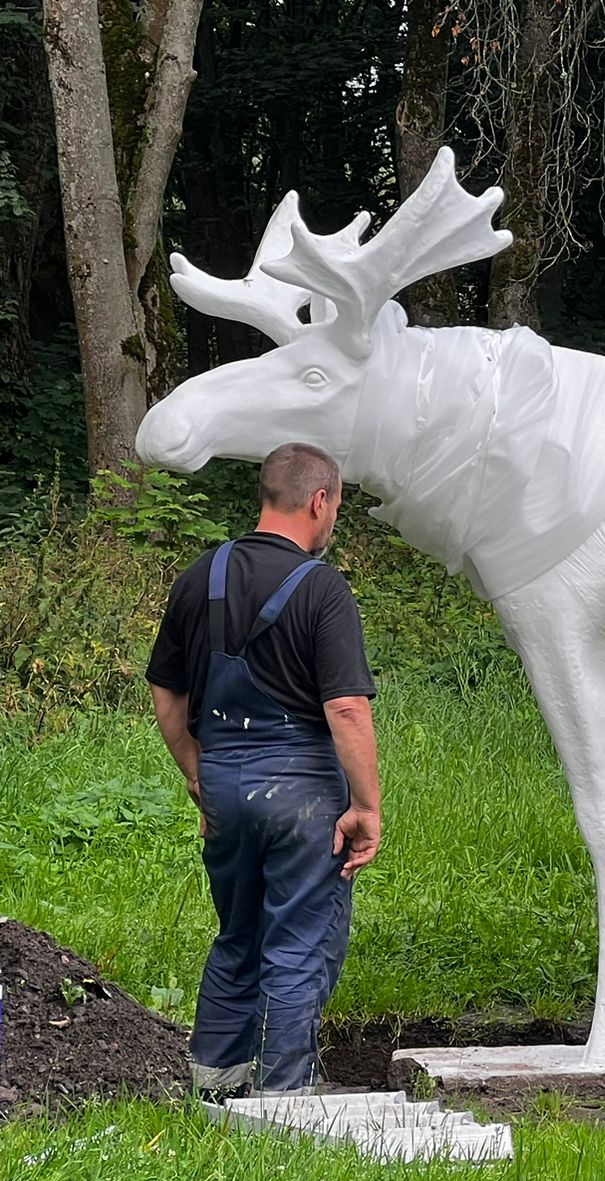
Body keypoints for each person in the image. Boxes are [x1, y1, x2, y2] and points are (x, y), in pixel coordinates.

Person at [147, 443, 381, 1098]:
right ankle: (286, 1102)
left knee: (238, 935)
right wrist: (366, 806)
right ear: (319, 501)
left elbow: (167, 693)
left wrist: (198, 774)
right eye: (334, 506)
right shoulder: (323, 587)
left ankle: (214, 1085)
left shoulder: (202, 574)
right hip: (302, 790)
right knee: (298, 947)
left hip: (224, 782)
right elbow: (345, 707)